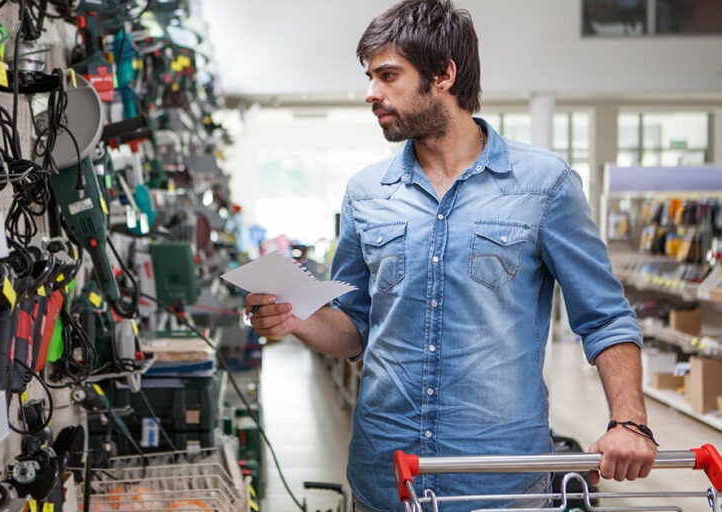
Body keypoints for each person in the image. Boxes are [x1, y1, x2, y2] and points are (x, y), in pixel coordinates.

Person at [245, 1, 657, 510]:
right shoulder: (366, 194)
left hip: (499, 479)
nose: (371, 93)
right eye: (370, 77)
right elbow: (354, 327)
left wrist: (629, 421)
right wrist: (296, 318)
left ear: (444, 74)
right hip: (386, 474)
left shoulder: (544, 186)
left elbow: (606, 318)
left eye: (388, 76)